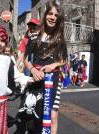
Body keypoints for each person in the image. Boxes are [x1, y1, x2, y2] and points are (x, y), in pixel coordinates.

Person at [16, 2, 67, 134]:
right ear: (45, 15)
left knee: (52, 115)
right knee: (34, 114)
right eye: (50, 13)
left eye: (56, 15)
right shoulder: (34, 35)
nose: (52, 17)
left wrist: (53, 65)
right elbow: (26, 59)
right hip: (36, 78)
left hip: (53, 80)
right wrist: (33, 70)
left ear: (58, 19)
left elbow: (64, 60)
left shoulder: (60, 38)